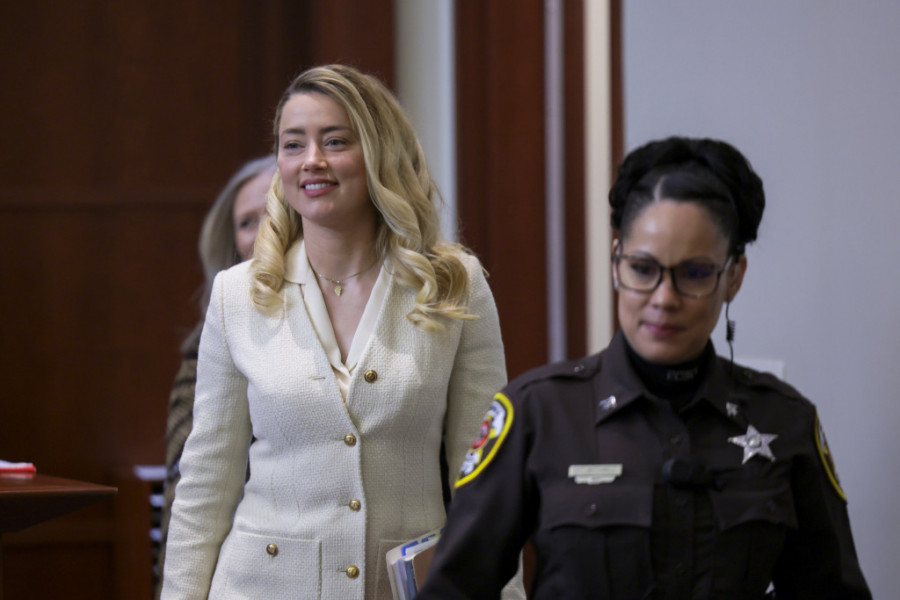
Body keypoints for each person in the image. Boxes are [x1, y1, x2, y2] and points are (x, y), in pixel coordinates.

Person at [416, 136, 872, 599]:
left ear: (733, 276)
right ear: (617, 264)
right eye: (643, 268)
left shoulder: (785, 421)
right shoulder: (538, 413)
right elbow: (453, 590)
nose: (664, 298)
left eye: (695, 273)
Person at [160, 64, 524, 600]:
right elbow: (206, 485)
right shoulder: (238, 294)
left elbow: (485, 477)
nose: (312, 160)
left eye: (335, 141)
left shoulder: (454, 282)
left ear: (379, 153)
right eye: (293, 144)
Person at [157, 154, 277, 593]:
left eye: (275, 211)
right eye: (247, 222)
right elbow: (190, 489)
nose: (263, 231)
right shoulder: (206, 350)